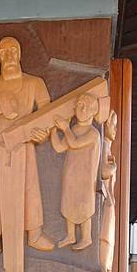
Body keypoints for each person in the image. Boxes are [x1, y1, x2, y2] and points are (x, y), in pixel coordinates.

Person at [0, 36, 54, 262]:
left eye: (13, 51)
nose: (9, 56)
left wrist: (41, 133)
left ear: (20, 54)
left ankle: (34, 233)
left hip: (23, 145)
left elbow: (47, 114)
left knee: (29, 186)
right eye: (4, 52)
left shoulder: (34, 83)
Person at [50, 93, 101, 250]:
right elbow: (60, 147)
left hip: (85, 178)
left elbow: (75, 143)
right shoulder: (74, 129)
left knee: (84, 206)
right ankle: (71, 236)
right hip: (71, 174)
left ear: (94, 111)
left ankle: (86, 237)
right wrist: (52, 130)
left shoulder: (93, 133)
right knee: (68, 201)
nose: (82, 109)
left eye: (87, 107)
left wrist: (65, 128)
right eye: (80, 105)